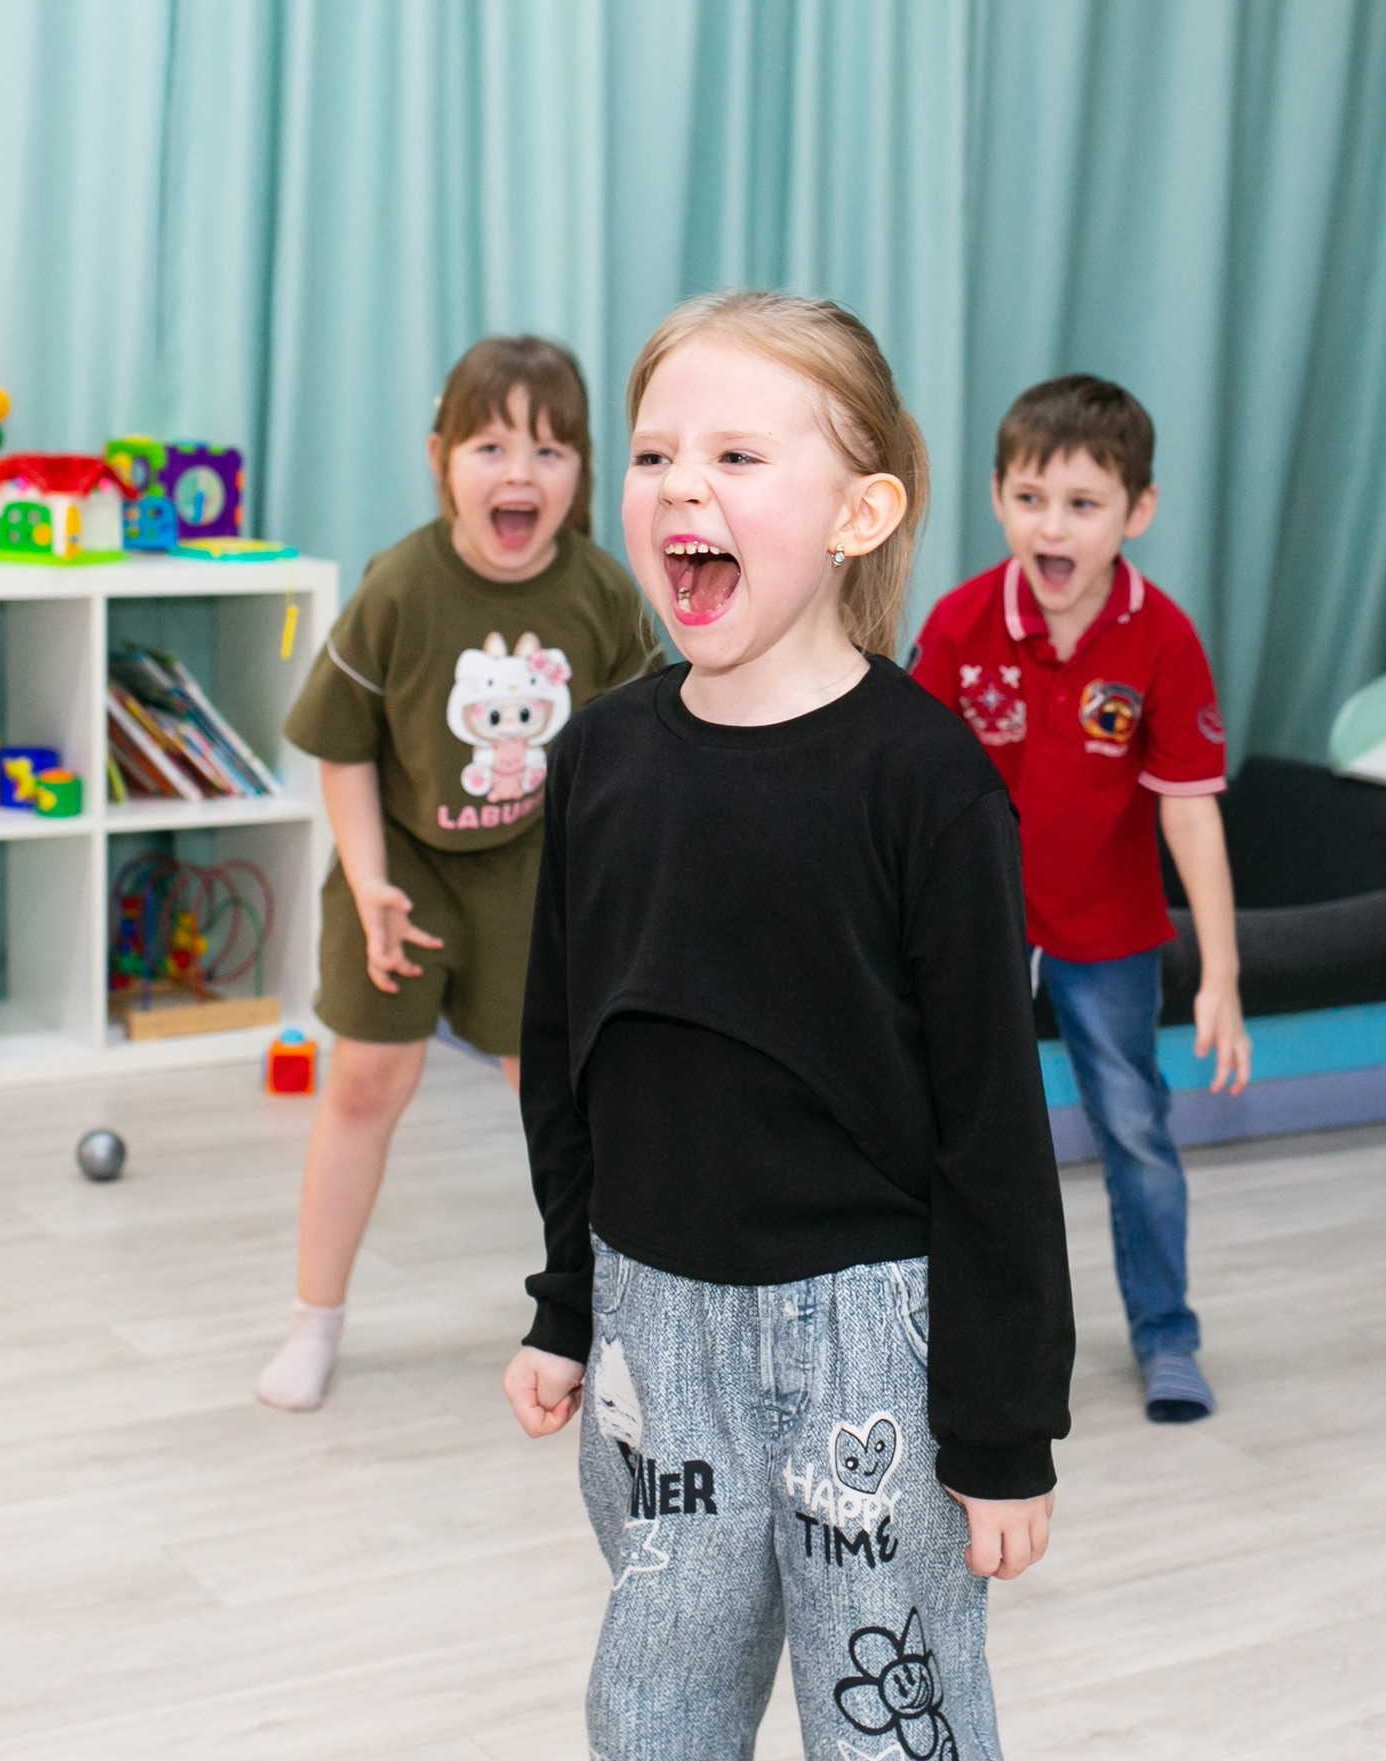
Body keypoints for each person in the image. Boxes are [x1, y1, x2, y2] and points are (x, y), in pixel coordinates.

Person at [501, 291, 1074, 1759]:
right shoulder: (606, 760)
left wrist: (1003, 1431)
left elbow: (994, 1133)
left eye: (738, 458)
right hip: (652, 1319)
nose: (683, 485)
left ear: (860, 512)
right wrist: (568, 1299)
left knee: (894, 1717)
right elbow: (569, 1058)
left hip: (871, 1344)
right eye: (655, 455)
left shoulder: (926, 784)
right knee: (652, 1704)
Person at [254, 336, 655, 1411]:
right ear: (441, 461)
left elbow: (640, 750)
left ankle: (589, 1324)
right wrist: (370, 881)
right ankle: (314, 1321)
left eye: (549, 449)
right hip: (407, 866)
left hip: (537, 875)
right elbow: (341, 743)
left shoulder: (605, 594)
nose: (518, 472)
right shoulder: (400, 585)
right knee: (365, 1084)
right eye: (489, 445)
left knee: (559, 1106)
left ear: (581, 477)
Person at [909, 374, 1248, 1424]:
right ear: (999, 498)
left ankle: (1166, 1335)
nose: (1051, 526)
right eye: (1029, 498)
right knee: (953, 1132)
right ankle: (946, 1334)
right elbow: (905, 791)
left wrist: (1222, 975)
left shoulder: (1162, 639)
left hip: (1109, 932)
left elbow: (1191, 813)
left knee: (1134, 1129)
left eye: (1083, 504)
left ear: (1135, 513)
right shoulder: (962, 625)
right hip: (976, 930)